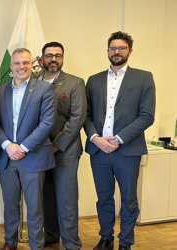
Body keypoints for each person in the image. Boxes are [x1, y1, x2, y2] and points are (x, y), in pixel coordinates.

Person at [84, 31, 155, 250]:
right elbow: (84, 115)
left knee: (128, 200)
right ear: (107, 51)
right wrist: (96, 139)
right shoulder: (93, 80)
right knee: (103, 198)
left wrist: (119, 139)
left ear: (130, 51)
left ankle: (126, 242)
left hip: (128, 151)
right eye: (113, 48)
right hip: (99, 152)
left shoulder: (144, 77)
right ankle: (106, 239)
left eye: (122, 48)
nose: (117, 51)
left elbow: (147, 116)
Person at [0, 48, 56, 250]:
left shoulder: (44, 89)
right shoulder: (0, 90)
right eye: (17, 63)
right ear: (11, 67)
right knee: (10, 205)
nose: (21, 67)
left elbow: (47, 123)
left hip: (33, 157)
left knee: (35, 208)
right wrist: (7, 145)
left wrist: (22, 147)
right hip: (7, 158)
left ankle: (36, 246)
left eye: (26, 63)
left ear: (33, 65)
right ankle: (10, 242)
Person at [36, 42, 86, 250]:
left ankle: (71, 243)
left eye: (58, 55)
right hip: (38, 151)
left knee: (66, 198)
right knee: (45, 196)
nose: (53, 59)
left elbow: (77, 118)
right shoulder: (32, 82)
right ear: (42, 59)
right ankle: (51, 236)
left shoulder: (74, 83)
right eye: (49, 55)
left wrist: (56, 145)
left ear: (63, 58)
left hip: (64, 151)